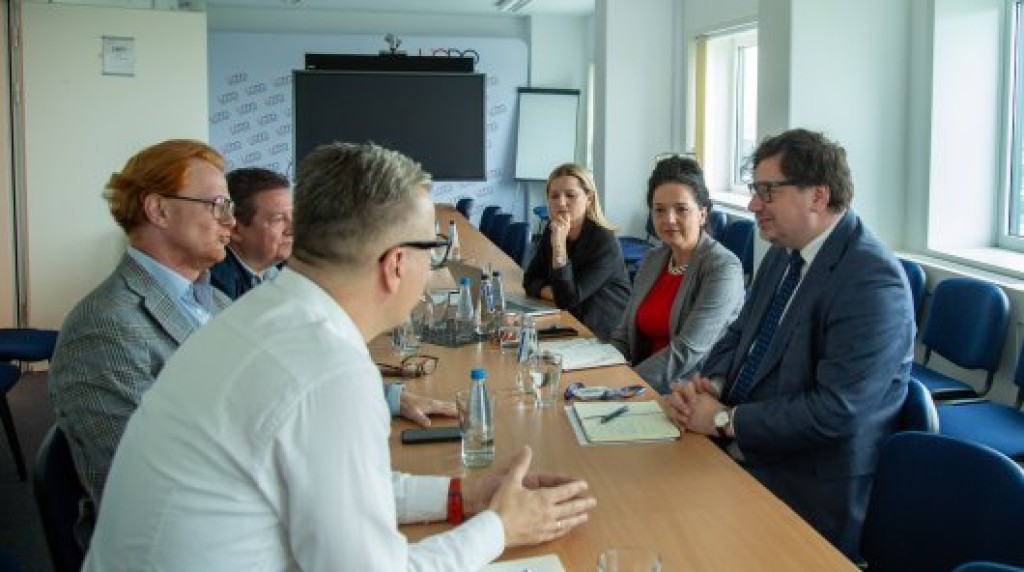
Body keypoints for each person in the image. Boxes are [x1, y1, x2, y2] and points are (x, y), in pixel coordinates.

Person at [84, 142, 596, 570]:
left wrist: (463, 496)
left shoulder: (264, 313)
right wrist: (499, 529)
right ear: (396, 264)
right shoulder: (327, 370)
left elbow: (339, 492)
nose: (432, 264)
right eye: (432, 248)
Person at [665, 129, 914, 560]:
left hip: (806, 484)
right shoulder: (784, 251)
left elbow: (835, 411)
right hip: (747, 446)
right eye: (754, 190)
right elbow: (740, 333)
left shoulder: (872, 282)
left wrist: (724, 419)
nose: (752, 205)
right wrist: (713, 383)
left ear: (818, 196)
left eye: (767, 192)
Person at [49, 139, 236, 543]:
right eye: (218, 205)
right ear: (159, 210)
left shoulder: (217, 302)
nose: (231, 221)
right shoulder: (105, 326)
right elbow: (144, 486)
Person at [608, 156, 744, 394]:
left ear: (702, 214)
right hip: (640, 382)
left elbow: (687, 351)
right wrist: (601, 369)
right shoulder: (653, 258)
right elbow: (624, 334)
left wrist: (624, 386)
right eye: (659, 210)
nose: (668, 219)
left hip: (687, 391)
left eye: (681, 209)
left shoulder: (723, 268)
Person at [523, 163, 630, 339]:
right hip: (569, 319)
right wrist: (558, 294)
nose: (561, 203)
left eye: (570, 195)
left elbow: (567, 299)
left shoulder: (604, 241)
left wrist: (558, 246)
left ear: (589, 199)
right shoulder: (552, 228)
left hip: (602, 334)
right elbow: (529, 280)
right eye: (554, 196)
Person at [210, 167, 292, 300]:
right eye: (278, 219)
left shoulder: (292, 270)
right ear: (235, 229)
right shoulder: (217, 286)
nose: (292, 229)